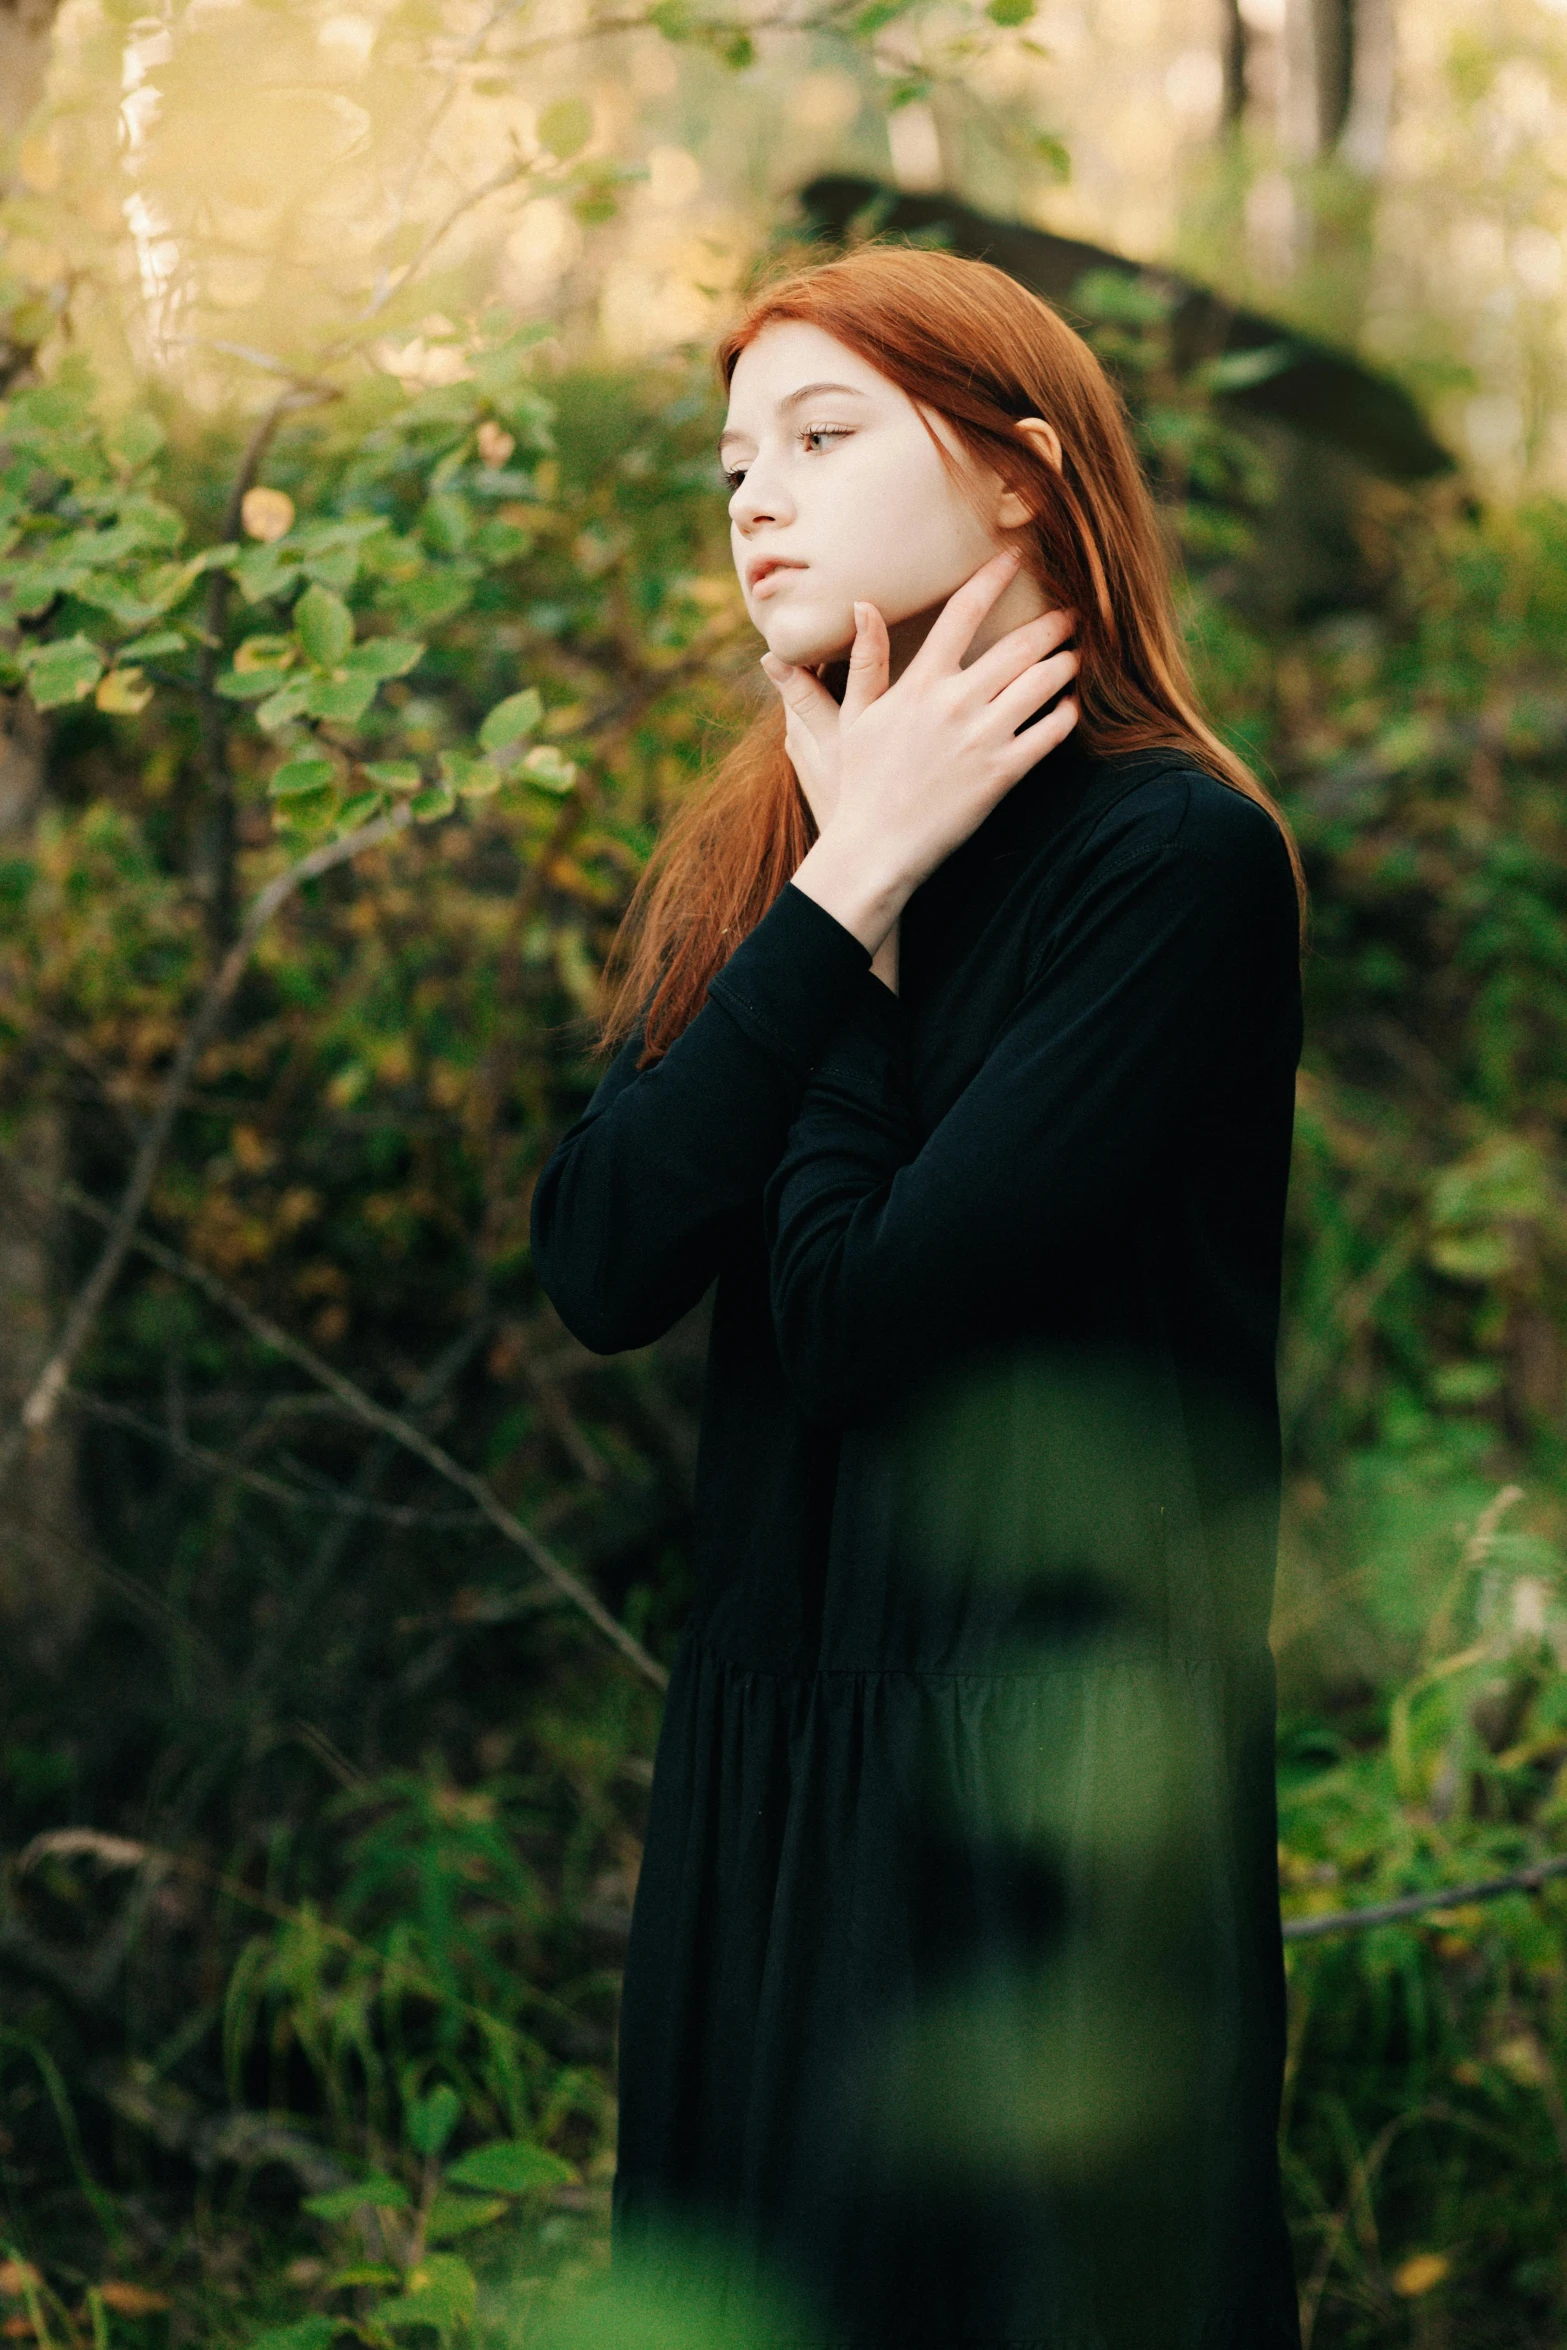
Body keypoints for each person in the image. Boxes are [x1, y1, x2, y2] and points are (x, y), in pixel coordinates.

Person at [531, 243, 1304, 2349]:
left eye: (822, 434)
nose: (753, 499)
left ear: (1020, 478)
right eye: (729, 464)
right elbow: (606, 1258)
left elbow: (865, 1321)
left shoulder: (1174, 868)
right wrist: (838, 885)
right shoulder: (779, 849)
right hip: (772, 1760)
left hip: (1035, 1795)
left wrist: (844, 960)